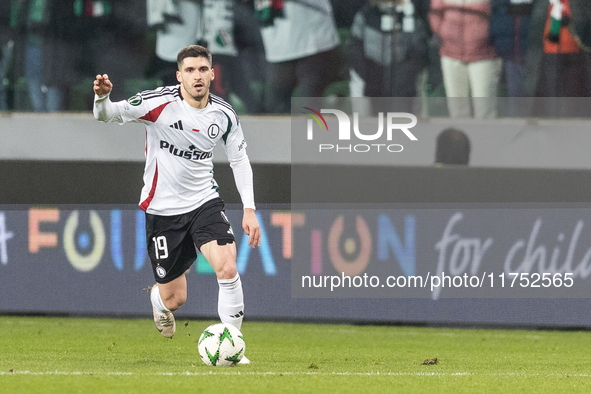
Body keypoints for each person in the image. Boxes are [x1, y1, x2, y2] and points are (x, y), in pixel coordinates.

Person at [93, 45, 261, 363]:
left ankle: (233, 350)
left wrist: (249, 208)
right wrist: (102, 98)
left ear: (212, 74)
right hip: (163, 210)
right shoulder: (158, 103)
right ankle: (158, 301)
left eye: (202, 70)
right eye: (189, 70)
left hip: (204, 201)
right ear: (179, 75)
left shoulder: (224, 115)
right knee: (175, 297)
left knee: (227, 265)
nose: (196, 76)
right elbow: (107, 115)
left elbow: (239, 159)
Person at [429, 0, 501, 118]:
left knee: (485, 111)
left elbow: (499, 11)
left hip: (484, 55)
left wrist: (488, 36)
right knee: (457, 111)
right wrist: (442, 32)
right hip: (450, 54)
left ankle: (485, 136)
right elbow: (435, 12)